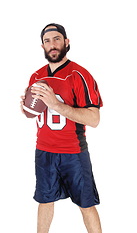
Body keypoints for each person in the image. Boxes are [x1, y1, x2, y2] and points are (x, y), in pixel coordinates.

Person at [20, 23, 103, 233]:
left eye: (57, 39)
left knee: (86, 205)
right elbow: (36, 114)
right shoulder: (36, 76)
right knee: (44, 201)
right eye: (47, 41)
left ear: (66, 42)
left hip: (73, 153)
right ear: (42, 47)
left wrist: (56, 105)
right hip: (44, 151)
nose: (52, 45)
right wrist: (26, 109)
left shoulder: (79, 75)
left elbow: (94, 119)